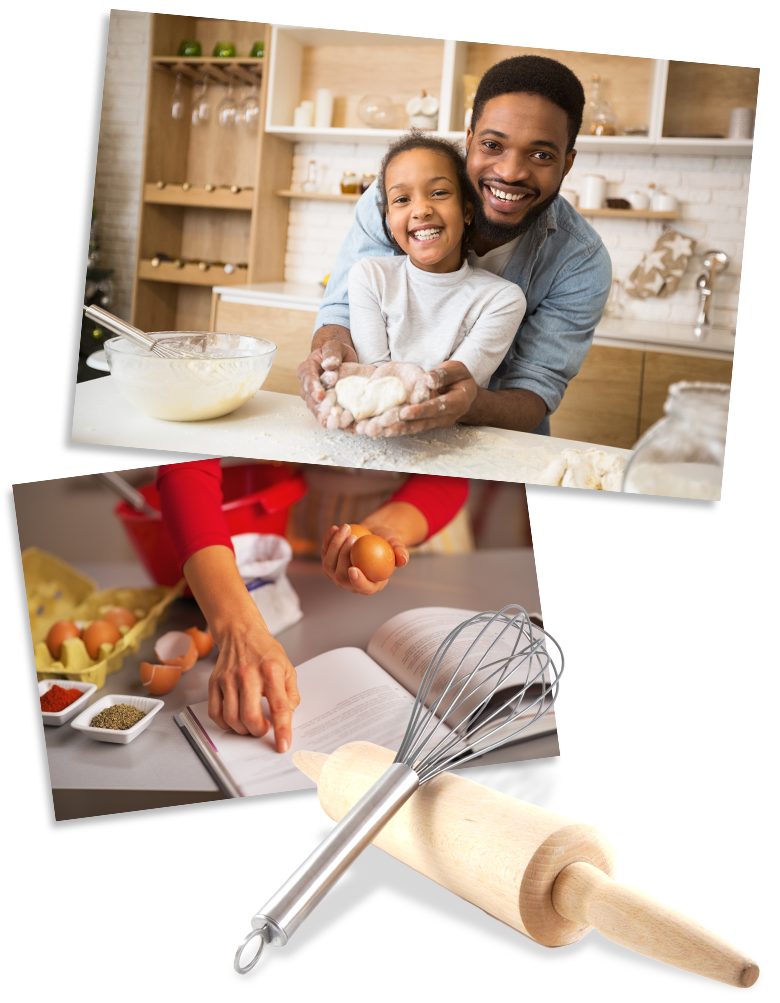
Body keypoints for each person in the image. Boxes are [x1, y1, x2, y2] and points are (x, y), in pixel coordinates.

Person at [297, 54, 612, 439]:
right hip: (374, 436)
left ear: (567, 164)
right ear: (469, 140)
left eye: (542, 155)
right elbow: (341, 310)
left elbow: (536, 389)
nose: (510, 173)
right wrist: (331, 352)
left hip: (496, 443)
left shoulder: (580, 261)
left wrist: (470, 403)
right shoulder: (395, 202)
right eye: (493, 145)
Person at [155, 460, 468, 753]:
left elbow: (455, 460)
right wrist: (238, 628)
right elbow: (186, 467)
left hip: (417, 519)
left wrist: (388, 528)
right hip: (310, 517)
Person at [317, 134, 527, 438]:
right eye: (402, 199)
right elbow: (375, 374)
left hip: (456, 442)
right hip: (375, 437)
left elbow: (452, 384)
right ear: (388, 219)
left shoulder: (502, 299)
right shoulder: (370, 277)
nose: (421, 210)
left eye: (439, 192)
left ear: (468, 210)